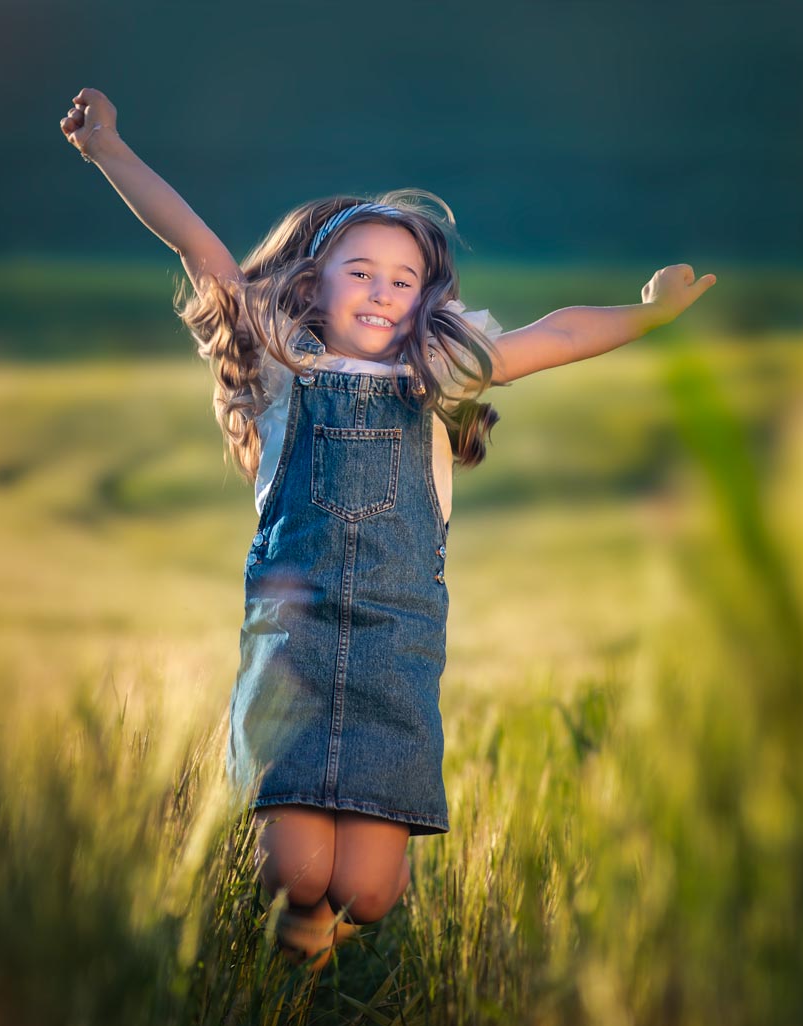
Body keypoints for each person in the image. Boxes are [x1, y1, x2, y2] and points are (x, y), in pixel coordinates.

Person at [61, 88, 716, 971]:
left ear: (424, 303)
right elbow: (199, 245)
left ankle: (330, 926)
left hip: (396, 649)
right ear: (312, 283)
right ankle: (296, 929)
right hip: (294, 642)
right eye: (360, 271)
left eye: (402, 280)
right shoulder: (285, 363)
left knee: (369, 891)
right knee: (299, 871)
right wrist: (109, 149)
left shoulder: (438, 372)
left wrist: (649, 315)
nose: (381, 290)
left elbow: (555, 335)